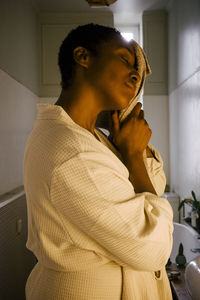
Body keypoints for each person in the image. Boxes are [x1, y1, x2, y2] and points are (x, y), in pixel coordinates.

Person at [24, 23, 173, 300]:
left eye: (136, 73)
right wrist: (131, 155)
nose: (134, 74)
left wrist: (129, 140)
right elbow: (154, 248)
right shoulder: (73, 151)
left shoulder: (89, 137)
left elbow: (154, 185)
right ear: (83, 57)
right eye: (124, 59)